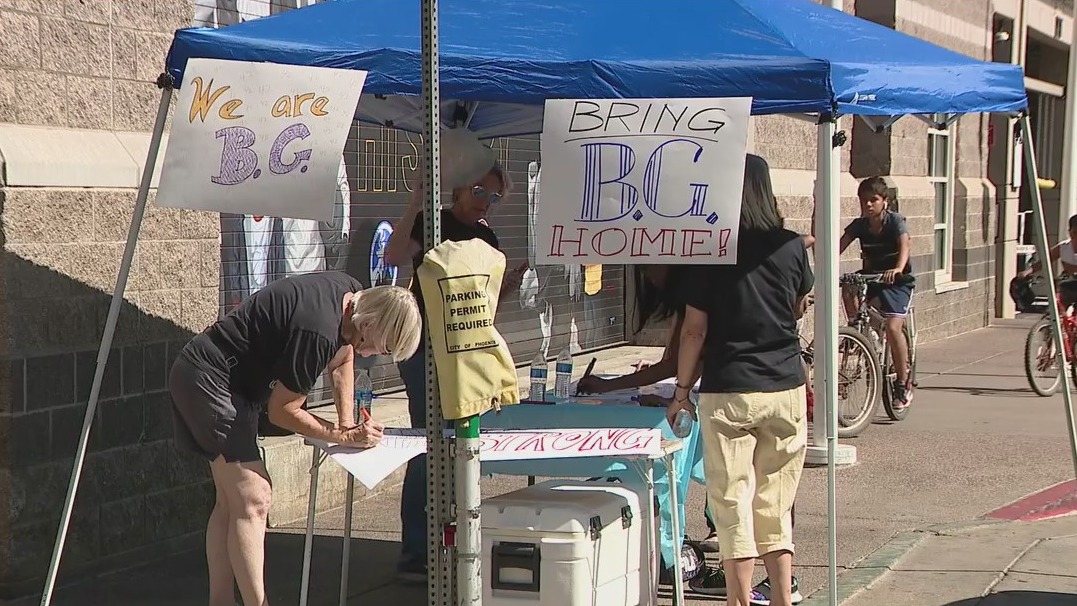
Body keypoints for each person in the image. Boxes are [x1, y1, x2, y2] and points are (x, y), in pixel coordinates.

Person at [168, 272, 422, 606]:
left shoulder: (351, 294)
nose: (377, 353)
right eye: (383, 345)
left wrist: (348, 425)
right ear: (371, 323)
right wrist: (340, 434)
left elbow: (344, 355)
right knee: (255, 498)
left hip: (222, 379)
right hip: (211, 380)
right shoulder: (316, 330)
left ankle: (221, 601)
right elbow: (283, 411)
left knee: (233, 502)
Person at [669, 154, 813, 606]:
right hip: (785, 385)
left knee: (732, 501)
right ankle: (784, 598)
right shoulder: (791, 247)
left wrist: (680, 393)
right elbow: (796, 306)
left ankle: (739, 600)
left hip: (728, 387)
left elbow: (694, 331)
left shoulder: (711, 250)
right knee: (775, 502)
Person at [385, 160, 526, 583]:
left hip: (465, 352)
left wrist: (509, 287)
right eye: (481, 193)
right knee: (428, 446)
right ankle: (415, 552)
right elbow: (393, 256)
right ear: (460, 190)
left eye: (496, 197)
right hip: (425, 348)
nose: (488, 204)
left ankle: (453, 542)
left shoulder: (487, 238)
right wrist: (415, 202)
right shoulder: (432, 221)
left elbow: (483, 309)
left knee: (461, 445)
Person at [838, 176, 916, 410]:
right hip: (873, 278)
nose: (868, 205)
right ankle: (859, 329)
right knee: (849, 284)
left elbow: (905, 245)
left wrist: (898, 269)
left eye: (873, 200)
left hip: (897, 281)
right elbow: (837, 246)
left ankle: (903, 384)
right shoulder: (859, 225)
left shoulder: (895, 222)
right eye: (864, 201)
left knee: (893, 328)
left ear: (885, 202)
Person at [1017, 213, 1077, 309]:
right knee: (1057, 309)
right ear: (1070, 232)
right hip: (1067, 286)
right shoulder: (1063, 247)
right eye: (1075, 232)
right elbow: (1045, 261)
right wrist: (1027, 272)